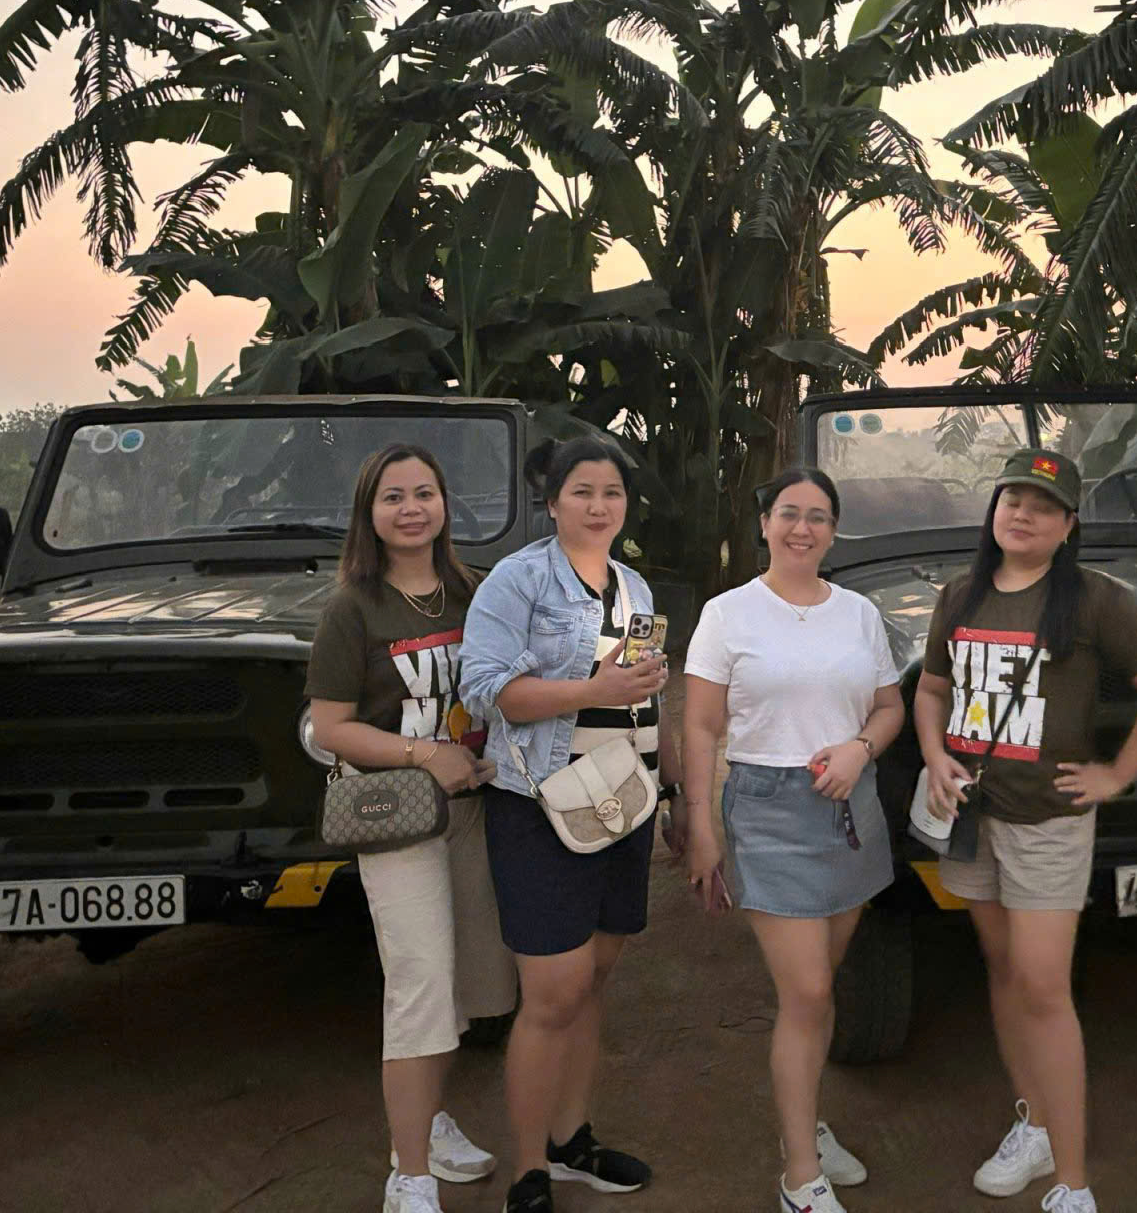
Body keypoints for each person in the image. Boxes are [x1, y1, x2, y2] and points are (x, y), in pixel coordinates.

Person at [914, 449, 1137, 1213]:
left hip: (1046, 823)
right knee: (1006, 971)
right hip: (973, 816)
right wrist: (935, 754)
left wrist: (1117, 774)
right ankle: (1033, 1124)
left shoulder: (1095, 600)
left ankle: (1072, 1183)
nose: (1023, 514)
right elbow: (933, 690)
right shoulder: (961, 594)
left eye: (1043, 506)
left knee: (1043, 987)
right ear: (994, 509)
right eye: (1013, 499)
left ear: (1068, 526)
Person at [459, 435, 684, 1213]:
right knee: (553, 993)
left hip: (623, 801)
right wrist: (591, 688)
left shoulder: (634, 586)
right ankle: (529, 1169)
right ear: (552, 502)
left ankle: (571, 1140)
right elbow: (487, 691)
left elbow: (646, 700)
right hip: (540, 805)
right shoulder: (518, 580)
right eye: (582, 491)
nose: (598, 506)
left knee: (593, 981)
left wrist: (672, 791)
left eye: (611, 493)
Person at [681, 468, 906, 1213]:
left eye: (817, 517)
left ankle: (805, 1126)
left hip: (850, 811)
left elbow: (889, 708)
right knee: (806, 991)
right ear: (765, 524)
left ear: (833, 532)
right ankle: (800, 1178)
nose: (801, 528)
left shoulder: (859, 614)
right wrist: (702, 827)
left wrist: (859, 750)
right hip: (768, 811)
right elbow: (701, 728)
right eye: (788, 513)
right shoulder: (727, 614)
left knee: (820, 988)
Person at [305, 444, 518, 1213]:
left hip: (474, 811)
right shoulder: (352, 609)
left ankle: (427, 1123)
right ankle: (411, 1177)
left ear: (444, 505)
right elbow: (331, 727)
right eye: (392, 497)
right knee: (420, 983)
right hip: (397, 815)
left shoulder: (475, 591)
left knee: (460, 983)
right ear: (369, 514)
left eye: (424, 493)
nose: (411, 509)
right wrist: (426, 753)